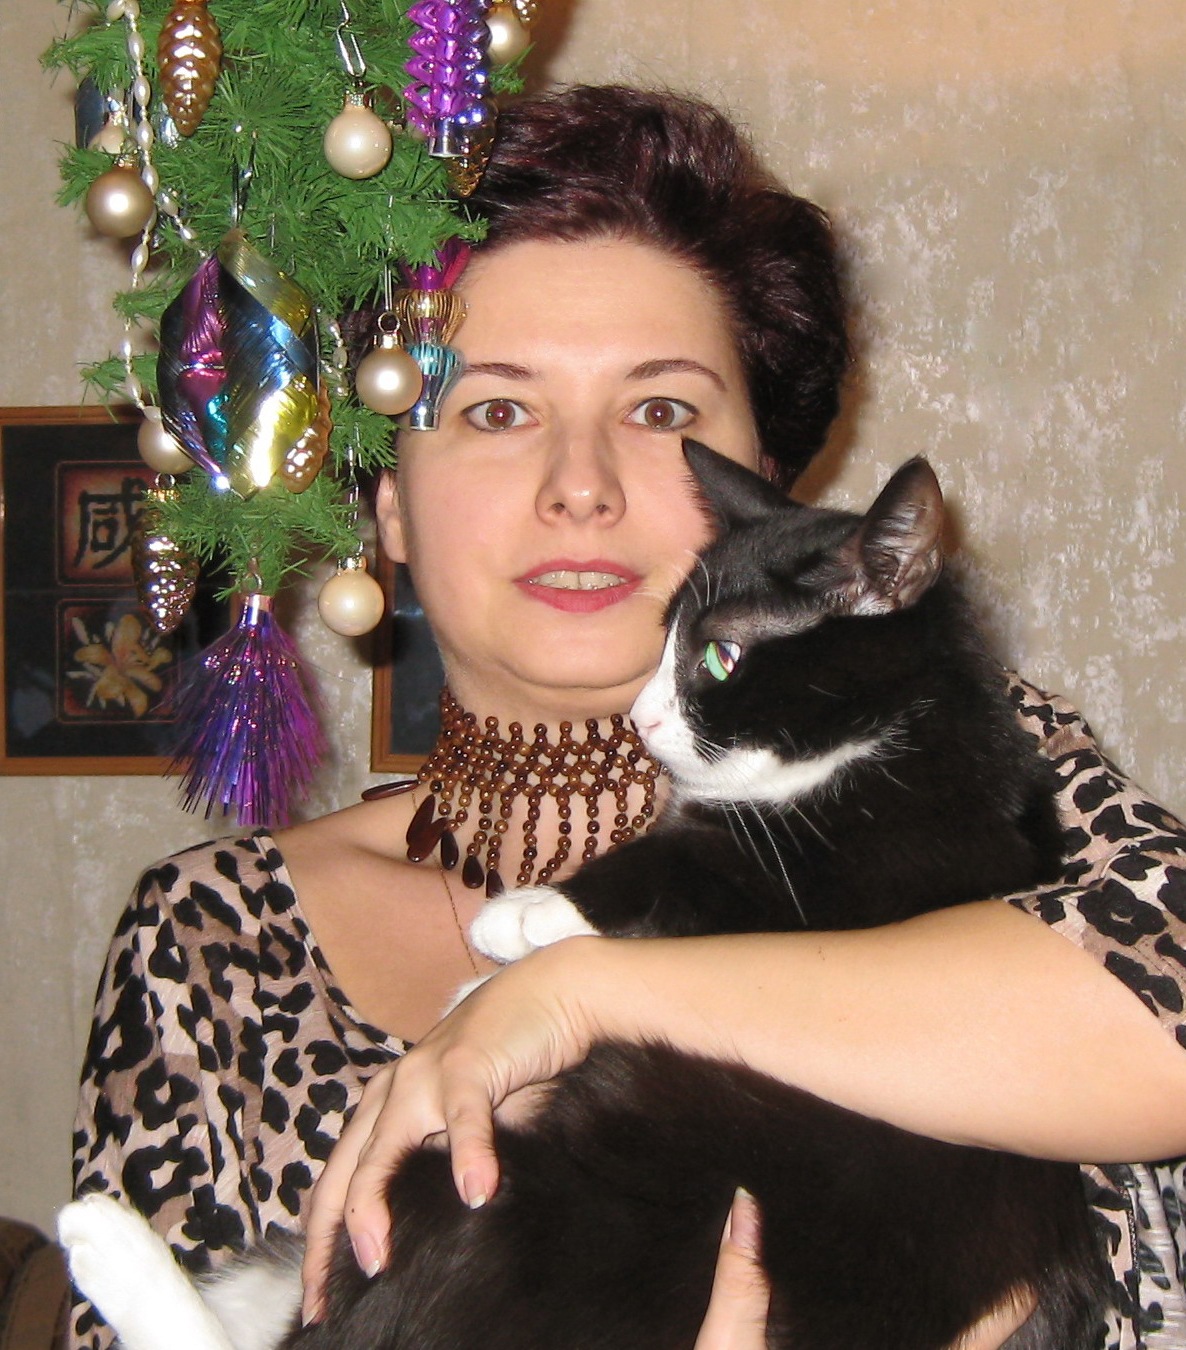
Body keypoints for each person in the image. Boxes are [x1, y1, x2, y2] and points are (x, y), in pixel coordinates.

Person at [70, 85, 1186, 1350]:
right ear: (387, 506)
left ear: (763, 485)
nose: (581, 486)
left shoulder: (988, 767)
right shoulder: (213, 941)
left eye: (660, 411)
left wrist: (585, 996)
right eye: (497, 409)